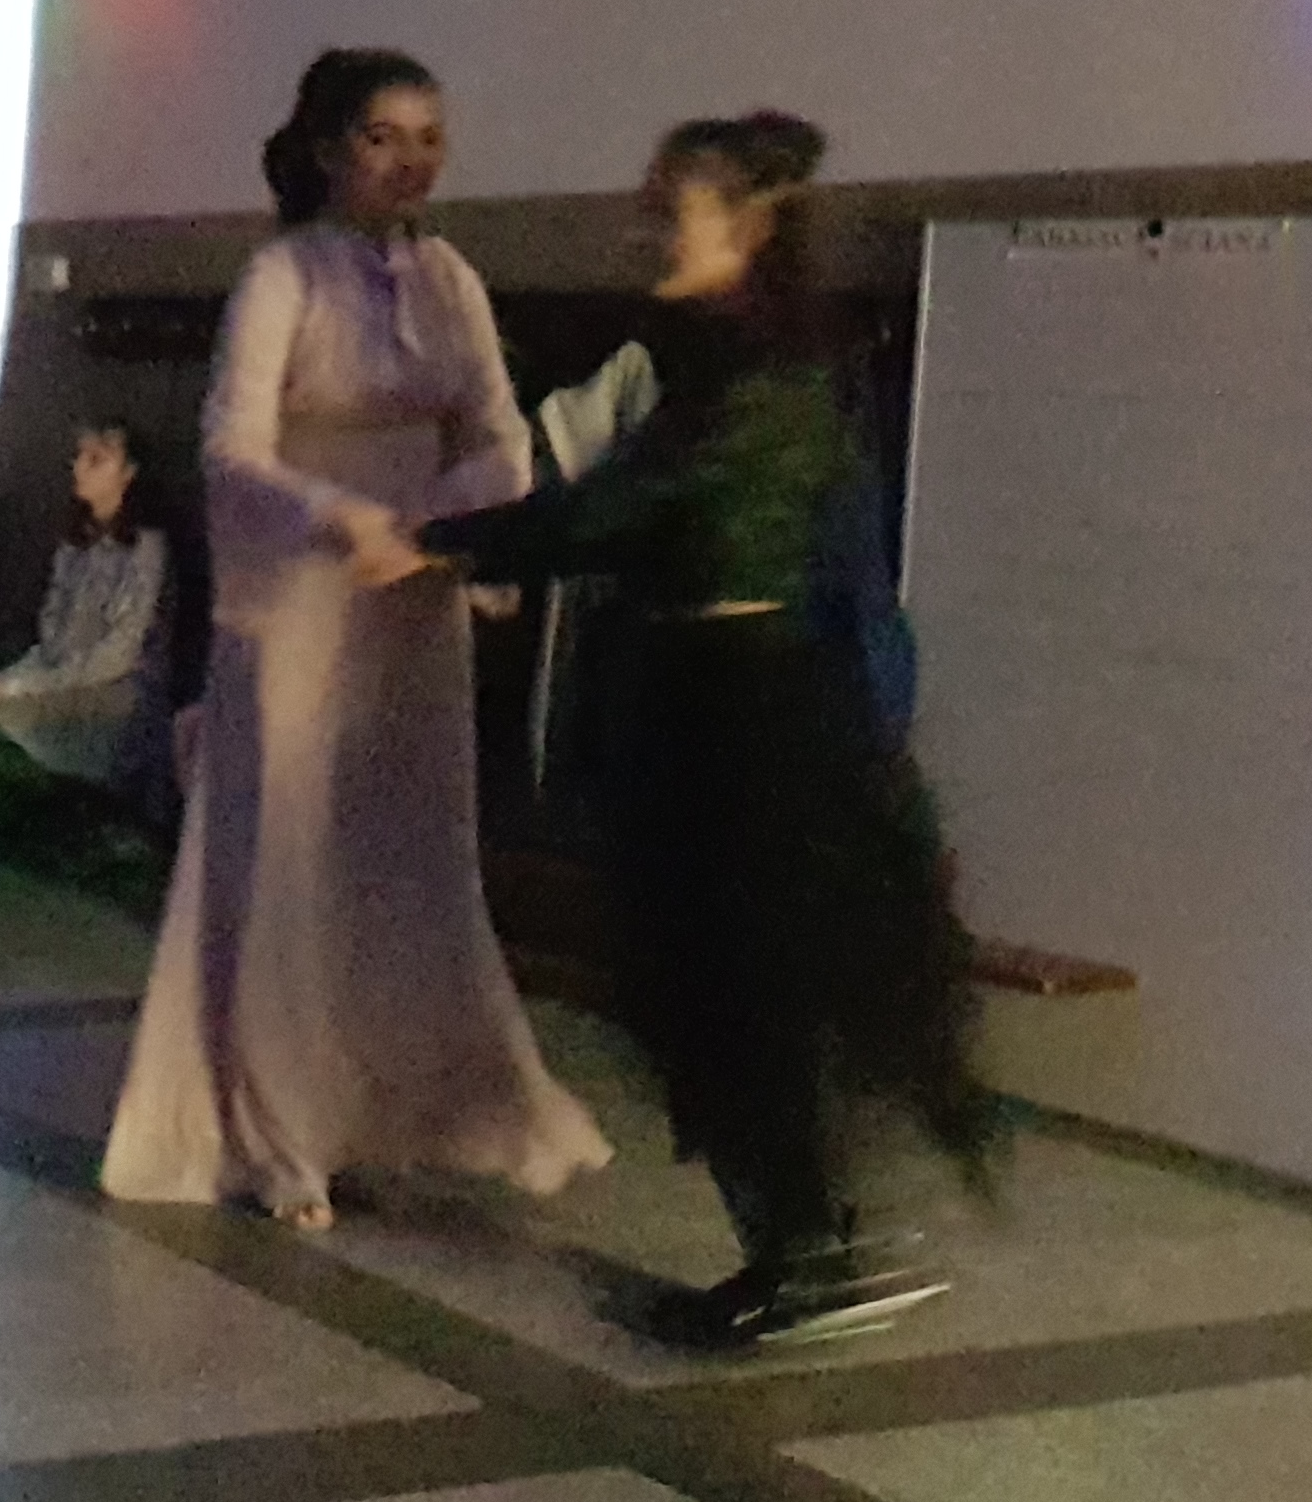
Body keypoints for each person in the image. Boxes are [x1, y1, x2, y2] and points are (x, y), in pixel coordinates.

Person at [422, 113, 993, 1349]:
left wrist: (444, 543)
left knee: (734, 984)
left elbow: (639, 507)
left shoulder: (770, 370)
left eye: (671, 208)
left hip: (750, 719)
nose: (649, 229)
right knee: (726, 984)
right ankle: (808, 1242)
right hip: (722, 702)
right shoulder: (734, 356)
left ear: (747, 226)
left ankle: (808, 1252)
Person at [98, 49, 608, 1223]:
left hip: (412, 599)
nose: (411, 162)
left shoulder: (452, 279)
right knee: (288, 856)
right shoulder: (282, 275)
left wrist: (429, 524)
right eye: (384, 137)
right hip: (299, 600)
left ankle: (405, 1102)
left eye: (429, 138)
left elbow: (501, 440)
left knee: (405, 858)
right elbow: (232, 448)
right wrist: (340, 517)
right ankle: (280, 1128)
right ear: (330, 148)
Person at [0, 420, 166, 786]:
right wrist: (11, 679)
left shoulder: (145, 551)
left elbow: (117, 656)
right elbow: (52, 639)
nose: (79, 467)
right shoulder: (75, 544)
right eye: (79, 456)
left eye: (97, 459)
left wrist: (21, 687)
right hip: (59, 683)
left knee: (2, 726)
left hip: (109, 701)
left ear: (129, 473)